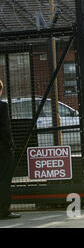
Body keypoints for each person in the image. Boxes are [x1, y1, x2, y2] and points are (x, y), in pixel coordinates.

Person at [0, 80, 21, 219]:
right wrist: (10, 144)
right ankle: (3, 210)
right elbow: (4, 128)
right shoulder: (2, 106)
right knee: (4, 179)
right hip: (2, 149)